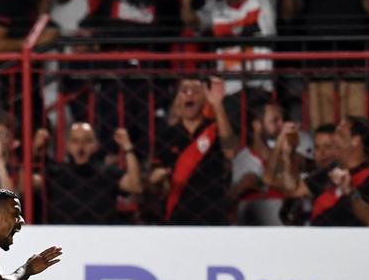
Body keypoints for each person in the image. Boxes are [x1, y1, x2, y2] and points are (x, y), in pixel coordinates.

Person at [148, 77, 238, 225]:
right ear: (178, 99)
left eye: (196, 91)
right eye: (184, 91)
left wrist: (217, 104)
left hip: (213, 215)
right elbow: (153, 178)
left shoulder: (217, 129)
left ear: (205, 97)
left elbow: (231, 153)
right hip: (178, 217)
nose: (190, 95)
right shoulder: (166, 135)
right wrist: (157, 178)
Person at [35, 123, 143, 225]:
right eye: (75, 141)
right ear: (67, 145)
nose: (81, 147)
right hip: (61, 234)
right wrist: (35, 149)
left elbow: (135, 186)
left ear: (96, 145)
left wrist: (127, 147)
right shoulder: (56, 172)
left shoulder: (108, 172)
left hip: (101, 234)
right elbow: (23, 186)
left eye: (87, 141)